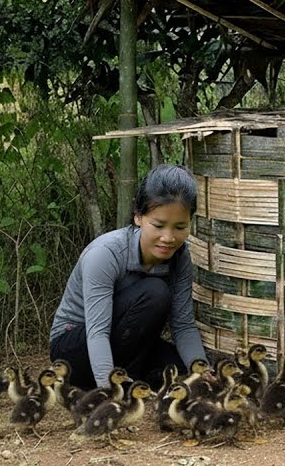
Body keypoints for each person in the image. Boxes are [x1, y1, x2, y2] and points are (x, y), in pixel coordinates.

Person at [49, 164, 207, 390]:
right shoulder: (105, 254)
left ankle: (134, 378)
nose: (168, 237)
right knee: (155, 292)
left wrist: (202, 371)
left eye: (180, 227)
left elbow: (182, 325)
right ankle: (117, 384)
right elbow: (98, 332)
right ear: (138, 217)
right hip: (76, 350)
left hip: (127, 342)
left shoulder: (180, 256)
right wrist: (109, 392)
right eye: (159, 225)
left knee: (180, 367)